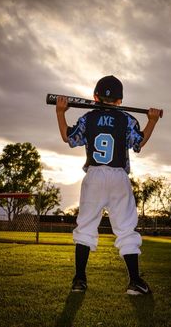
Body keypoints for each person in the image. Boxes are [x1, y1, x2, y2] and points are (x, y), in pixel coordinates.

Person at [56, 75, 161, 295]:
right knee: (125, 228)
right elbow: (139, 142)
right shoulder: (127, 119)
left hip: (94, 175)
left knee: (85, 227)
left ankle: (79, 279)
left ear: (95, 96)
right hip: (118, 176)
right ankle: (134, 282)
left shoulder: (88, 117)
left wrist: (60, 112)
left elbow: (69, 138)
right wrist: (152, 120)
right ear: (120, 100)